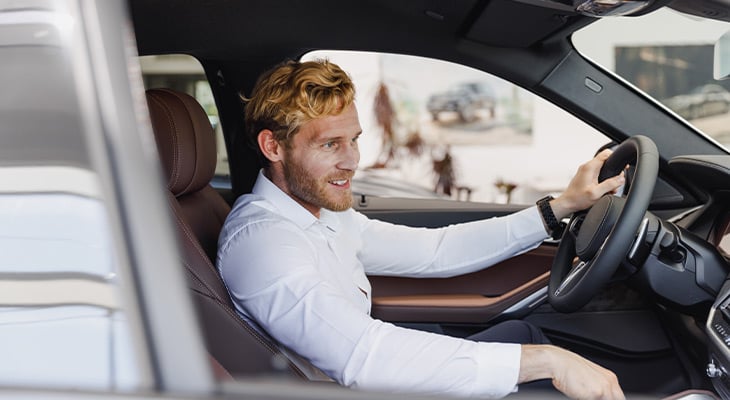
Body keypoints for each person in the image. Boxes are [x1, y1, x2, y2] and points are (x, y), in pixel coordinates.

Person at [217, 59, 626, 399]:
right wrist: (546, 362)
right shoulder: (264, 243)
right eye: (330, 145)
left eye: (354, 139)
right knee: (540, 368)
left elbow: (436, 251)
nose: (352, 161)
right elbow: (365, 358)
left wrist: (559, 209)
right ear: (274, 147)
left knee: (523, 335)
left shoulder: (319, 215)